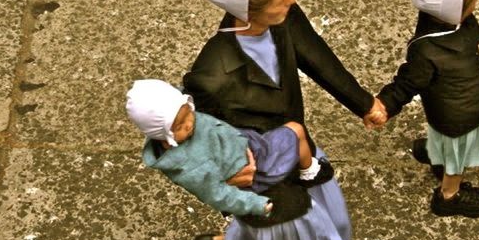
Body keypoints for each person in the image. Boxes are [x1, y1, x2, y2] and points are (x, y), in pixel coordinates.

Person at [183, 0, 387, 240]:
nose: (291, 0)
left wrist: (364, 103)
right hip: (267, 182)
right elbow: (196, 140)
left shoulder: (281, 18)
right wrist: (222, 179)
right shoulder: (209, 75)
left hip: (298, 150)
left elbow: (314, 53)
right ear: (248, 11)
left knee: (333, 224)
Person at [377, 0, 479, 218]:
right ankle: (449, 196)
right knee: (457, 161)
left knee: (458, 143)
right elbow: (406, 83)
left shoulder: (454, 22)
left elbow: (471, 32)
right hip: (459, 117)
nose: (474, 8)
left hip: (459, 106)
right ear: (455, 9)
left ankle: (433, 152)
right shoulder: (426, 51)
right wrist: (384, 104)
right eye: (471, 4)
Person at [125, 79, 335, 219]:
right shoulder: (190, 166)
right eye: (179, 126)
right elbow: (218, 194)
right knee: (296, 130)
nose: (189, 123)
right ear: (162, 134)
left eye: (188, 112)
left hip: (241, 143)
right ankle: (310, 173)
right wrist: (257, 205)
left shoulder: (176, 123)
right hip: (257, 164)